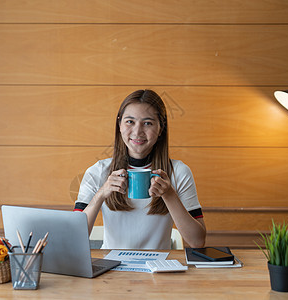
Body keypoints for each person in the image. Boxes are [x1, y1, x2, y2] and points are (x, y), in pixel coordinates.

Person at [74, 89, 206, 249]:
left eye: (148, 123)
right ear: (119, 125)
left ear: (160, 129)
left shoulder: (178, 172)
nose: (137, 132)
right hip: (113, 268)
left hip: (159, 267)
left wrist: (169, 194)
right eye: (130, 121)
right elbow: (74, 236)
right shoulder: (98, 171)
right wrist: (101, 194)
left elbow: (197, 241)